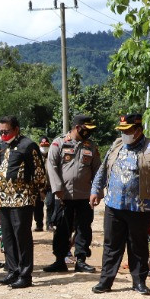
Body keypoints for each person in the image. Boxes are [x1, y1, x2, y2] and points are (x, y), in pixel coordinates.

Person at [90, 114, 150, 295]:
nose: (124, 134)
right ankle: (105, 282)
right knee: (112, 245)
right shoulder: (116, 145)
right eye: (122, 131)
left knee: (138, 245)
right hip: (114, 204)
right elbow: (103, 169)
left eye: (127, 131)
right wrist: (96, 189)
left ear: (138, 130)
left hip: (141, 207)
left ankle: (139, 282)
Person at [0, 116, 47, 289]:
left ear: (16, 129)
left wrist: (39, 191)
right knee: (7, 238)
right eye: (1, 132)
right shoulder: (4, 146)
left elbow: (39, 173)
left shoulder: (28, 145)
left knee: (21, 237)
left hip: (21, 199)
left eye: (6, 131)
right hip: (5, 200)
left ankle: (25, 275)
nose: (3, 134)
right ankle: (13, 271)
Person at [44, 115, 101, 274]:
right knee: (62, 228)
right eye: (86, 130)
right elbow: (52, 166)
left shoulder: (91, 146)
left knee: (84, 228)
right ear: (77, 127)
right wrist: (57, 188)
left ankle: (81, 260)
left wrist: (97, 191)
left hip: (85, 196)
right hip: (64, 196)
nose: (88, 133)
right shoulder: (59, 143)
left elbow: (98, 170)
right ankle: (59, 260)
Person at [33, 137, 52, 231]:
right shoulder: (36, 156)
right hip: (38, 185)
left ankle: (49, 224)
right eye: (43, 145)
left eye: (46, 145)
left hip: (49, 184)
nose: (44, 147)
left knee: (50, 204)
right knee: (38, 206)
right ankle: (39, 224)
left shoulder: (52, 155)